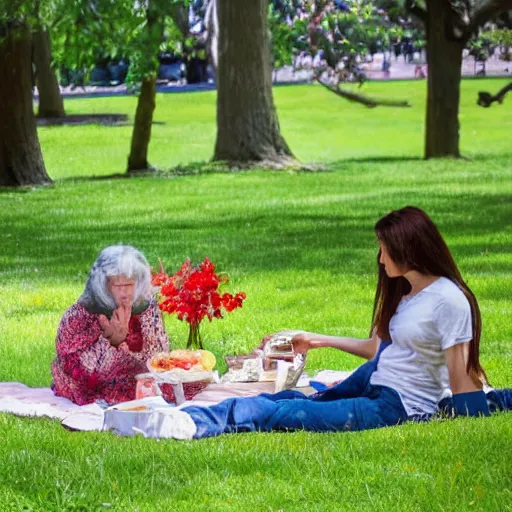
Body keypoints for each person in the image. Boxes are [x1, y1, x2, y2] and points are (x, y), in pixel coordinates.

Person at [141, 207, 505, 440]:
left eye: (384, 249)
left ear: (408, 249)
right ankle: (195, 414)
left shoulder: (449, 300)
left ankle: (193, 424)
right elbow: (379, 349)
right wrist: (316, 340)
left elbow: (460, 377)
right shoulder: (409, 292)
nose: (380, 259)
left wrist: (472, 409)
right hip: (376, 376)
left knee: (291, 413)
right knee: (286, 397)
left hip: (396, 405)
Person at [51, 245, 169, 405]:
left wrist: (124, 348)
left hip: (139, 374)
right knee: (117, 393)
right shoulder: (82, 313)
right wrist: (112, 342)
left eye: (129, 285)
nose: (124, 293)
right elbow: (79, 369)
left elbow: (158, 356)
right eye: (118, 286)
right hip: (89, 381)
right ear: (105, 284)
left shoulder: (145, 304)